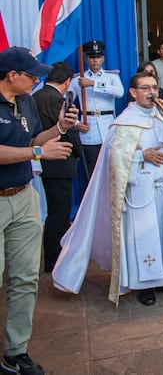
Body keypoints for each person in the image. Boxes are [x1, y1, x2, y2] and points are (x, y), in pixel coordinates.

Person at [53, 72, 163, 305]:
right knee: (143, 237)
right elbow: (114, 158)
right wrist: (141, 155)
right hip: (139, 192)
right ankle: (144, 287)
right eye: (145, 88)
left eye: (154, 87)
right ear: (133, 93)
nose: (151, 93)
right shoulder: (124, 121)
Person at [0, 47, 77, 375]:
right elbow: (26, 149)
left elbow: (33, 139)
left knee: (26, 277)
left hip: (24, 197)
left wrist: (57, 128)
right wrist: (37, 152)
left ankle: (16, 351)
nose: (37, 80)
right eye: (31, 75)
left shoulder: (27, 102)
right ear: (11, 75)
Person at [33, 62, 83, 272]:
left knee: (55, 209)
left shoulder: (37, 96)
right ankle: (54, 258)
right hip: (59, 160)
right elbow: (67, 130)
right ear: (66, 82)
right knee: (59, 212)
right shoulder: (55, 99)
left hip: (47, 161)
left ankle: (53, 256)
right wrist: (77, 152)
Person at [68, 40, 124, 178]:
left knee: (113, 169)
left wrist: (94, 84)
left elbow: (119, 92)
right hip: (89, 128)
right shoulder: (78, 80)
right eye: (92, 57)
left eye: (98, 57)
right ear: (86, 59)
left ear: (103, 58)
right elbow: (66, 103)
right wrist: (76, 124)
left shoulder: (111, 77)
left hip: (108, 126)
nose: (95, 61)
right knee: (92, 172)